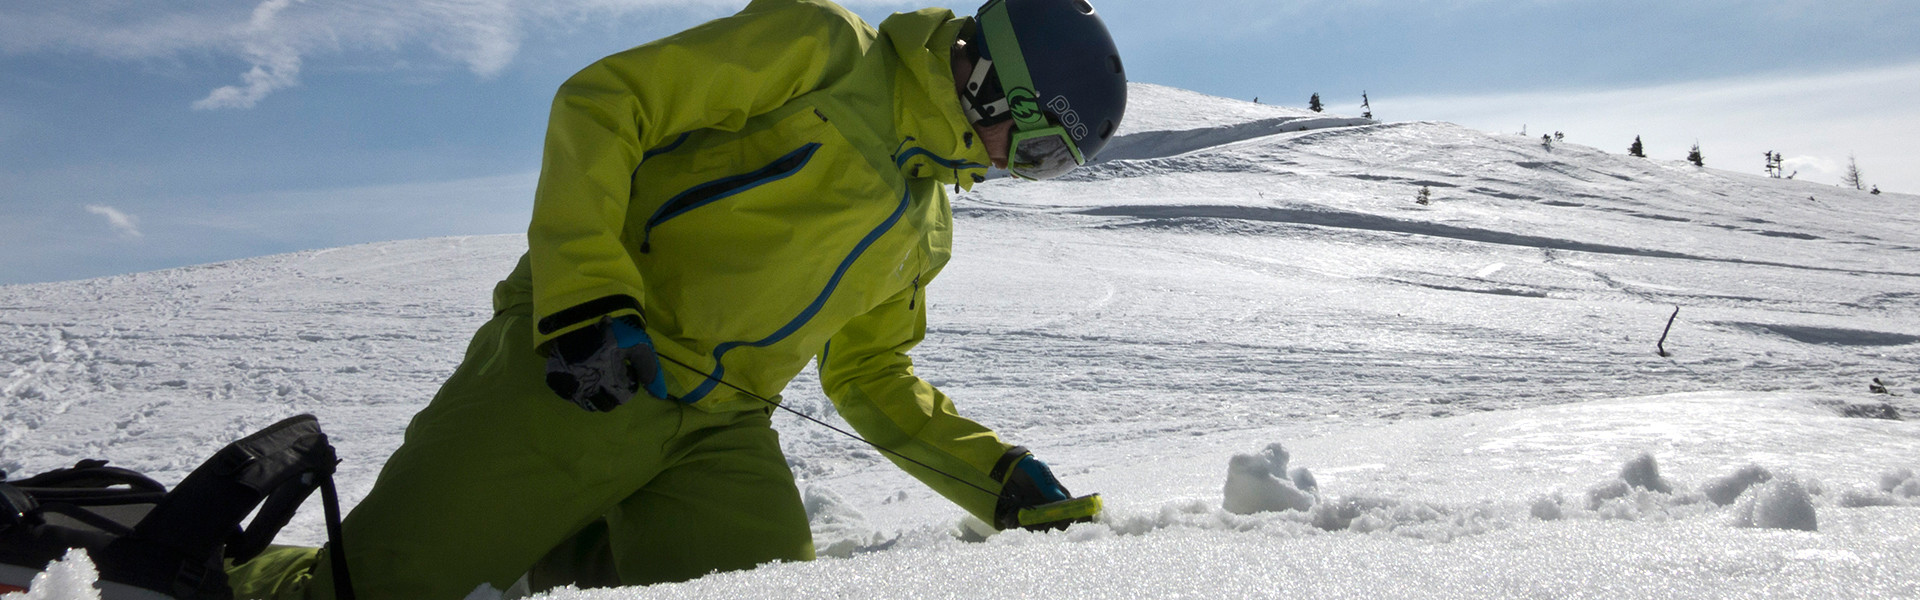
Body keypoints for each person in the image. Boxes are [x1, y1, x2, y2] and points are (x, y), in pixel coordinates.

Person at [228, 0, 1125, 597]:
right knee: (375, 595)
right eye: (1038, 147)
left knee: (756, 587)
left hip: (720, 432)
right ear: (993, 79)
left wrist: (998, 479)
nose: (1017, 170)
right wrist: (582, 301)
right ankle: (206, 571)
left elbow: (872, 376)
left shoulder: (926, 229)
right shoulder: (825, 51)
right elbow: (607, 102)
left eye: (1046, 168)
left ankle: (554, 548)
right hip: (584, 365)